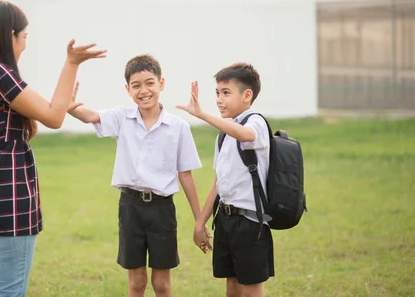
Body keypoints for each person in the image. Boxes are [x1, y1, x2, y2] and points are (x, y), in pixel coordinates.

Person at [0, 0, 106, 297]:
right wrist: (72, 63)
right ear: (10, 35)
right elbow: (54, 117)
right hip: (7, 199)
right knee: (7, 292)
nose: (24, 45)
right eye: (24, 38)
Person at [68, 54, 207, 297]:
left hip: (162, 210)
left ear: (161, 84)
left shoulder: (178, 128)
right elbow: (90, 116)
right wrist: (69, 107)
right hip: (130, 207)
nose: (144, 91)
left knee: (162, 284)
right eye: (136, 85)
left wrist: (199, 221)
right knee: (136, 283)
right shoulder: (122, 118)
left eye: (150, 83)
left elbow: (186, 176)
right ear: (128, 89)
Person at [177, 63, 274, 297]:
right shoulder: (223, 136)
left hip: (250, 222)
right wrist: (201, 222)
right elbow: (218, 183)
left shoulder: (255, 122)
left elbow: (246, 135)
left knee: (250, 287)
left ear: (247, 95)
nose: (219, 100)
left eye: (226, 93)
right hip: (226, 220)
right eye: (217, 93)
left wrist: (202, 115)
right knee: (231, 286)